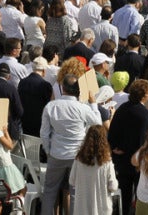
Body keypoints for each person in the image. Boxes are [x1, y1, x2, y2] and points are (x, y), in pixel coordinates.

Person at [40, 74, 102, 215]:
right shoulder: (82, 108)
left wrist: (48, 150)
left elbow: (44, 133)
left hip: (56, 153)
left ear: (62, 88)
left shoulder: (51, 106)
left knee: (50, 191)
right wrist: (93, 103)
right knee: (75, 193)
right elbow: (98, 123)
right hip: (77, 155)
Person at [108, 79, 148, 215]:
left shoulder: (122, 108)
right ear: (145, 95)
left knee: (125, 195)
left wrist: (116, 148)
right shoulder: (145, 115)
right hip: (138, 162)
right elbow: (144, 141)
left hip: (122, 159)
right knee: (139, 195)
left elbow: (112, 133)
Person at [69, 124, 119, 214]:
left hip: (82, 209)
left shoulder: (79, 159)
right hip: (101, 209)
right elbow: (113, 186)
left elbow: (72, 180)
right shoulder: (107, 162)